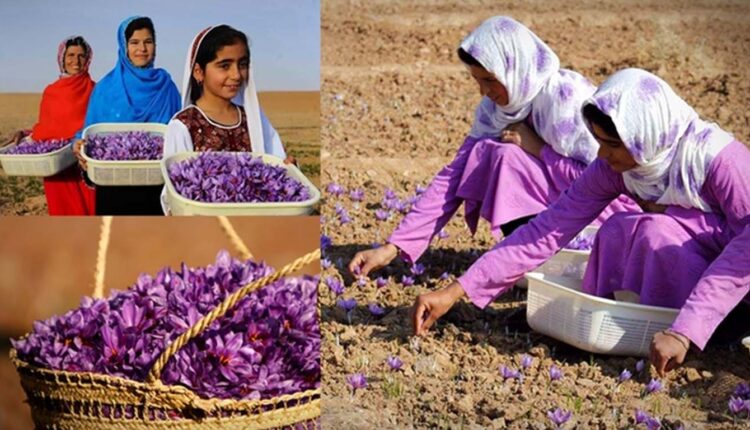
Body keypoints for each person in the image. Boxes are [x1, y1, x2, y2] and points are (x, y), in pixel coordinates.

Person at [408, 68, 750, 376]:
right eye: (599, 142)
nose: (602, 155)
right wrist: (457, 290)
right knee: (619, 228)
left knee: (655, 232)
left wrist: (685, 330)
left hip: (737, 298)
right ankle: (639, 330)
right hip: (700, 286)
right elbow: (546, 230)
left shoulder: (720, 162)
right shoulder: (625, 167)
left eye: (613, 144)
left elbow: (745, 250)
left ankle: (704, 337)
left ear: (645, 137)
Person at [349, 16, 637, 277]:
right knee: (497, 154)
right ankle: (528, 261)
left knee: (508, 155)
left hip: (606, 217)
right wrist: (392, 247)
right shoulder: (496, 110)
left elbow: (606, 184)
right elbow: (454, 176)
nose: (484, 92)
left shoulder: (565, 101)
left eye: (489, 80)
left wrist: (540, 150)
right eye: (477, 81)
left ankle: (561, 259)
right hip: (560, 211)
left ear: (514, 66)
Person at [74, 16, 180, 215]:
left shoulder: (167, 87)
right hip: (113, 190)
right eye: (134, 42)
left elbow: (179, 133)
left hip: (155, 189)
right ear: (124, 46)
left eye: (148, 42)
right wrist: (81, 147)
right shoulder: (105, 89)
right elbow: (90, 134)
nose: (142, 48)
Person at [6, 36, 96, 215]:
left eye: (81, 56)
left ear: (88, 59)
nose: (75, 61)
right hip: (56, 169)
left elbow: (99, 123)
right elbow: (47, 129)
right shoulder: (51, 92)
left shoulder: (96, 90)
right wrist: (25, 135)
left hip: (84, 166)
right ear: (62, 58)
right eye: (70, 55)